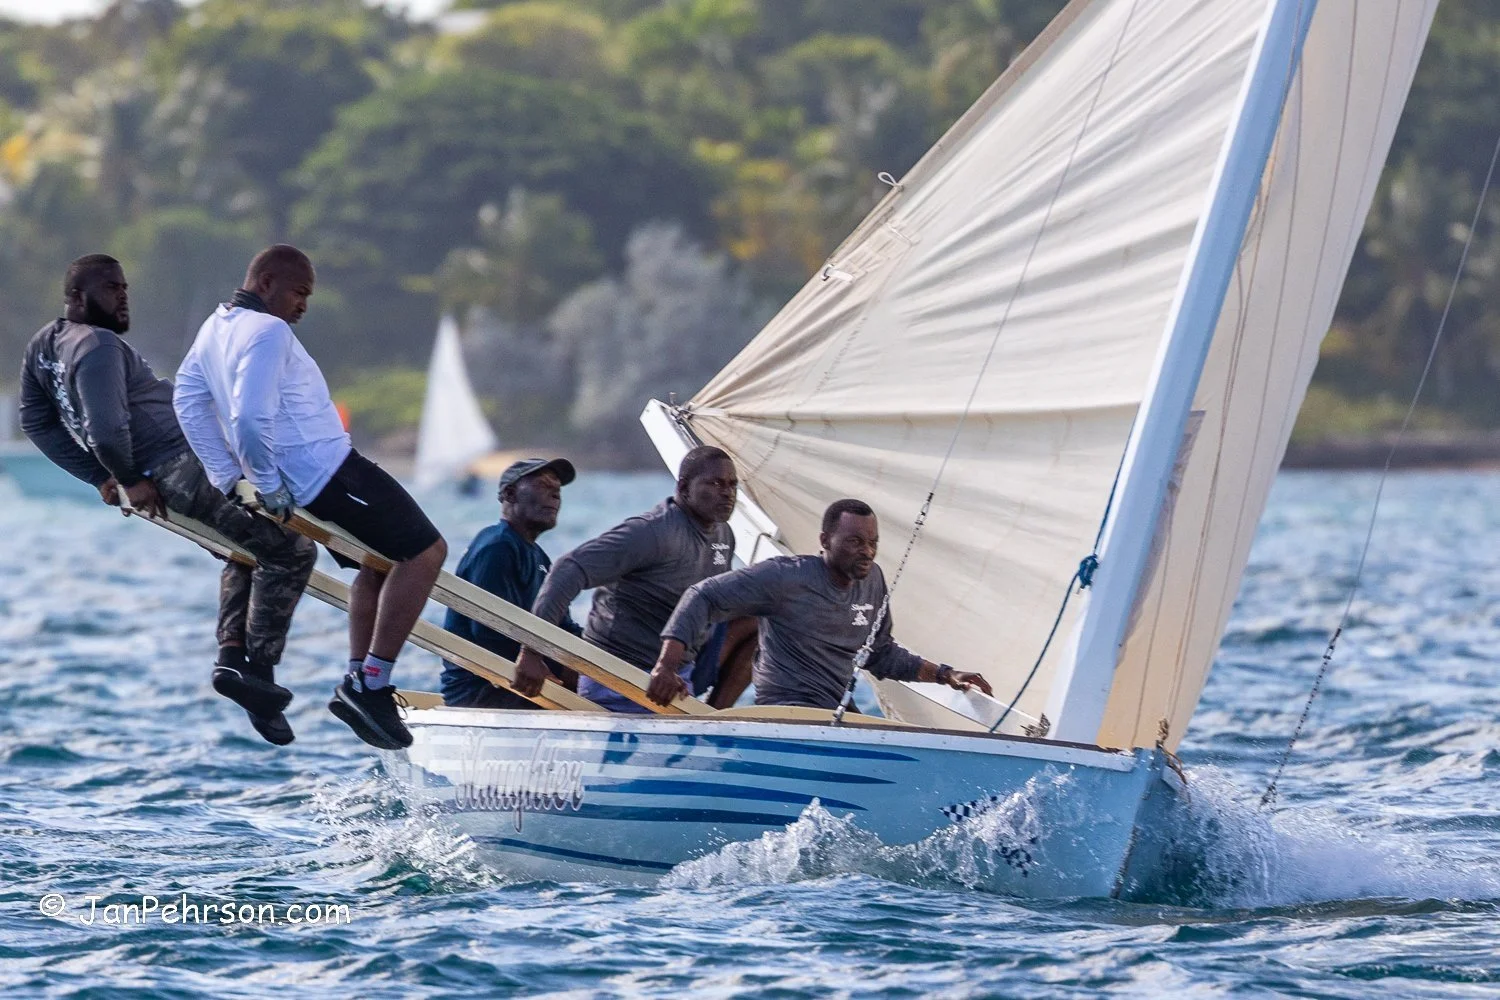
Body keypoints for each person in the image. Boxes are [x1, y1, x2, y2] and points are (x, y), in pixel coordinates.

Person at [18, 254, 317, 745]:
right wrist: (124, 476)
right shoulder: (98, 345)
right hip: (177, 467)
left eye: (124, 287)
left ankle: (232, 662)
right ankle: (259, 675)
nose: (122, 296)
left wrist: (101, 476)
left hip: (163, 474)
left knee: (244, 550)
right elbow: (106, 427)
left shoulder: (44, 345)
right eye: (110, 288)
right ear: (76, 297)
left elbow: (38, 423)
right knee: (291, 551)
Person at [174, 244, 447, 750]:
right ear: (267, 282)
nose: (304, 305)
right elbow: (249, 418)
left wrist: (226, 476)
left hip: (305, 476)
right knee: (427, 553)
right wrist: (266, 483)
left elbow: (187, 400)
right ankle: (370, 684)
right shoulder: (269, 331)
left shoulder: (216, 327)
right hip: (328, 472)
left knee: (381, 562)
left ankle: (359, 679)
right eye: (299, 292)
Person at [648, 498, 992, 710]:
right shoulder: (786, 578)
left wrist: (946, 674)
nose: (867, 551)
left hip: (833, 708)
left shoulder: (873, 581)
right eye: (855, 541)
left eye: (873, 542)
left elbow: (879, 653)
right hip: (787, 712)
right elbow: (702, 595)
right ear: (825, 541)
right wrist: (667, 666)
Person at [516, 445, 741, 711]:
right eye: (714, 483)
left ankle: (721, 717)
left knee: (757, 613)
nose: (727, 493)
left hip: (680, 675)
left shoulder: (724, 536)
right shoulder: (651, 532)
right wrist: (532, 651)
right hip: (618, 675)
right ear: (683, 488)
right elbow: (568, 568)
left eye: (732, 484)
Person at [440, 457, 583, 708]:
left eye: (557, 490)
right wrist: (559, 669)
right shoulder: (497, 546)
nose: (554, 495)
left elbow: (564, 628)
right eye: (542, 485)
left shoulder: (538, 555)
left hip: (527, 681)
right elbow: (488, 631)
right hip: (483, 692)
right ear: (509, 494)